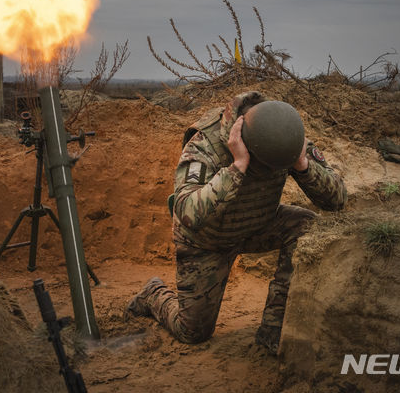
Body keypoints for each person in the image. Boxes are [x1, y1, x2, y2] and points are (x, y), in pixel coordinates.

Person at [124, 91, 347, 355]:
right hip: (207, 241)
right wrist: (238, 166)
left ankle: (273, 328)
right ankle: (153, 293)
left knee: (305, 224)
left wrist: (301, 164)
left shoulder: (282, 136)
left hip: (257, 224)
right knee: (193, 333)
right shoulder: (205, 146)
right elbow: (187, 213)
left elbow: (337, 200)